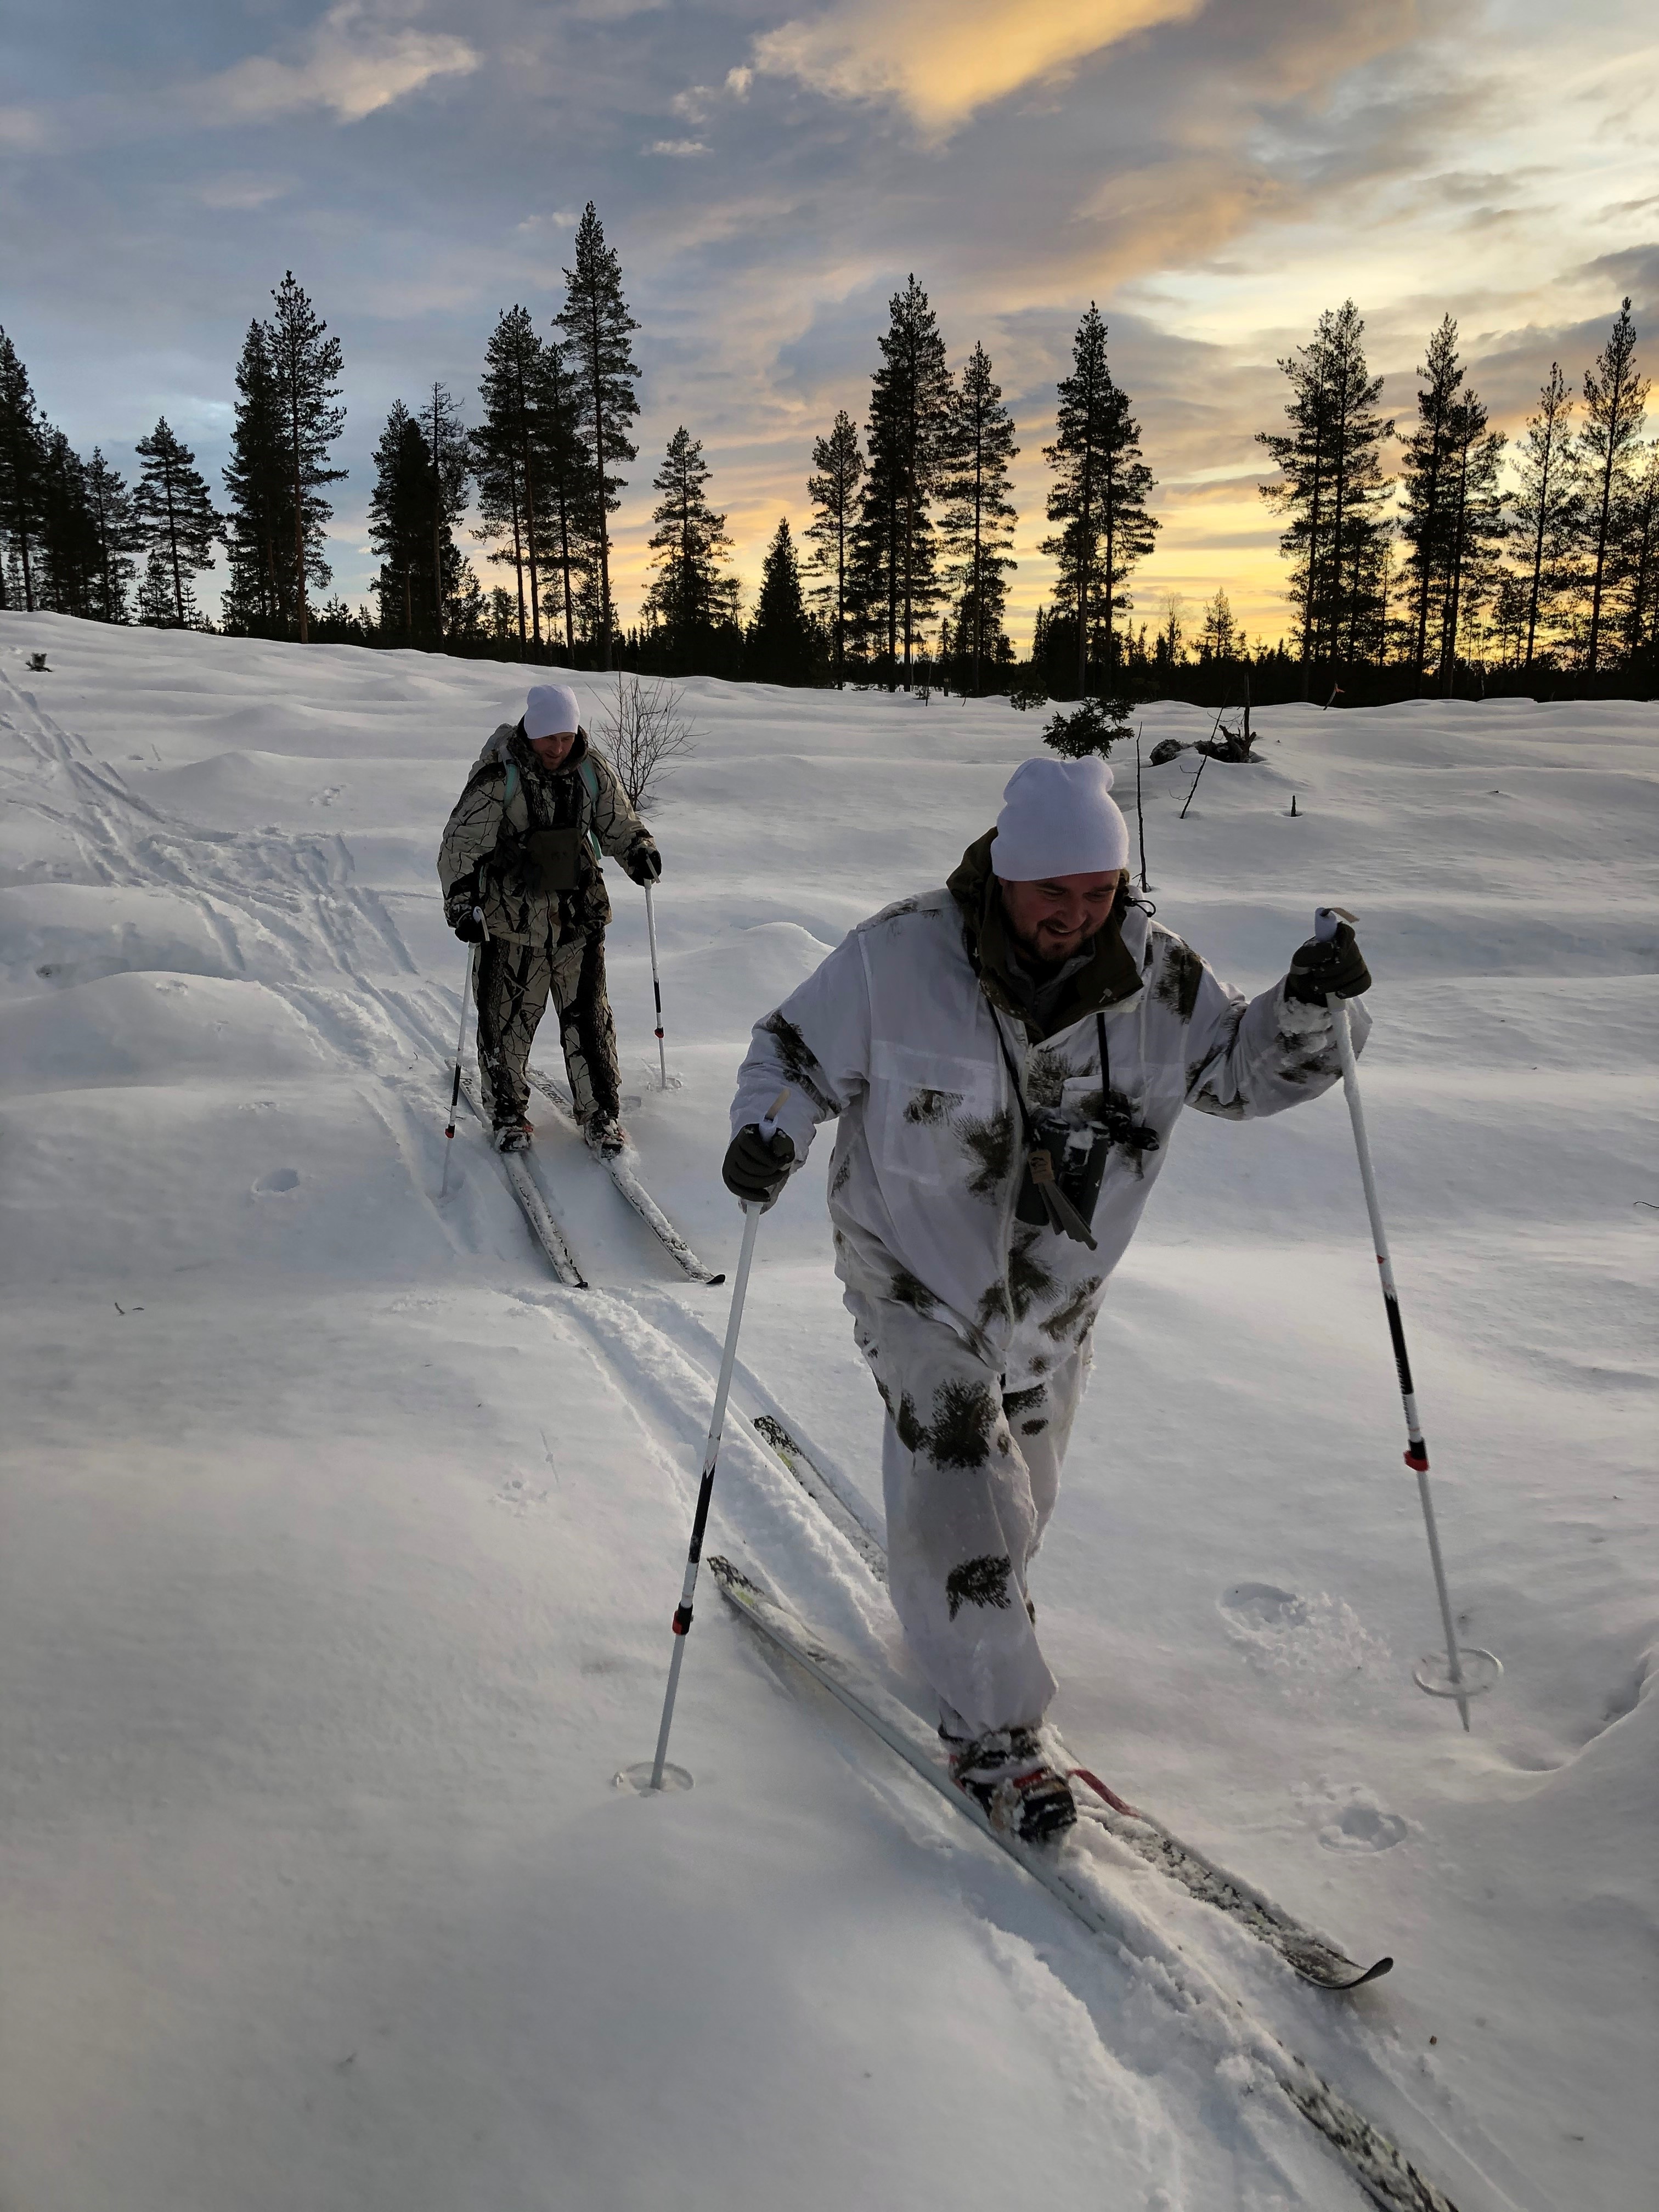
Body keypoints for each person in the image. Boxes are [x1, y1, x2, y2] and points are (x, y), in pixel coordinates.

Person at [723, 755, 1371, 1843]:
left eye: (1098, 892)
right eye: (1054, 893)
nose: (1078, 915)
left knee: (1019, 1503)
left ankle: (971, 1606)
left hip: (1056, 1310)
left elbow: (1246, 1076)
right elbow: (793, 1052)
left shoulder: (1161, 985)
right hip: (913, 1280)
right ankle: (996, 1733)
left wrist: (1312, 1009)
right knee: (961, 1463)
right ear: (1005, 879)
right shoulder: (900, 956)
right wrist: (769, 1129)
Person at [438, 682, 661, 1155]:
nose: (558, 747)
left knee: (589, 1019)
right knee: (508, 1020)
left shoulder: (591, 770)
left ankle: (601, 1114)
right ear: (531, 731)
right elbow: (461, 846)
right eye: (548, 738)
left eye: (565, 736)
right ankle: (507, 1113)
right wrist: (462, 906)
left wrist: (639, 850)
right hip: (510, 923)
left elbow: (618, 821)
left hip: (578, 918)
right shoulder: (501, 776)